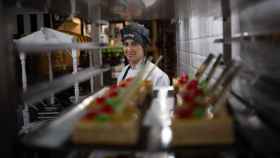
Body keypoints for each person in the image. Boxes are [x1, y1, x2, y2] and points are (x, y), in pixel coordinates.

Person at [117, 23, 170, 87]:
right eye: (126, 44)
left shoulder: (158, 76)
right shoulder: (123, 72)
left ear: (144, 47)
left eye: (134, 44)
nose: (129, 49)